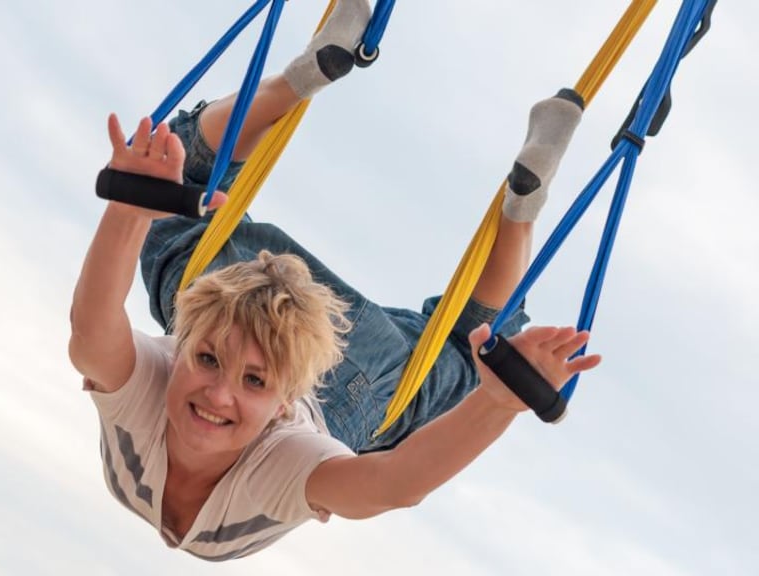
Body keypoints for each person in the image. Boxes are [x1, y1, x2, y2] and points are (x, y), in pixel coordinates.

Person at [70, 0, 601, 561]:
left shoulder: (156, 396)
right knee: (475, 356)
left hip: (260, 317)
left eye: (213, 363)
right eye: (225, 370)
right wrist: (499, 401)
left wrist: (128, 209)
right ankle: (292, 90)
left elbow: (92, 333)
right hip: (307, 349)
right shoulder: (279, 463)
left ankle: (516, 213)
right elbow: (387, 485)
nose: (220, 394)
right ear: (285, 405)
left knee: (165, 183)